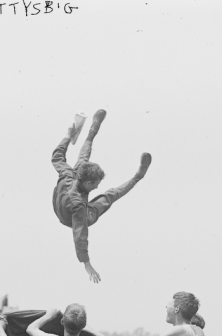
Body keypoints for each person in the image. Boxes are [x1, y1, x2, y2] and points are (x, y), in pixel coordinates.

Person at [51, 110, 152, 284]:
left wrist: (68, 136)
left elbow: (57, 156)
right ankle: (138, 177)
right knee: (110, 195)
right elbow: (79, 235)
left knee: (82, 158)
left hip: (63, 199)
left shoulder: (70, 173)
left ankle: (93, 130)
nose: (98, 186)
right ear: (88, 183)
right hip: (67, 215)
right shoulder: (79, 207)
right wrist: (87, 264)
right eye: (96, 183)